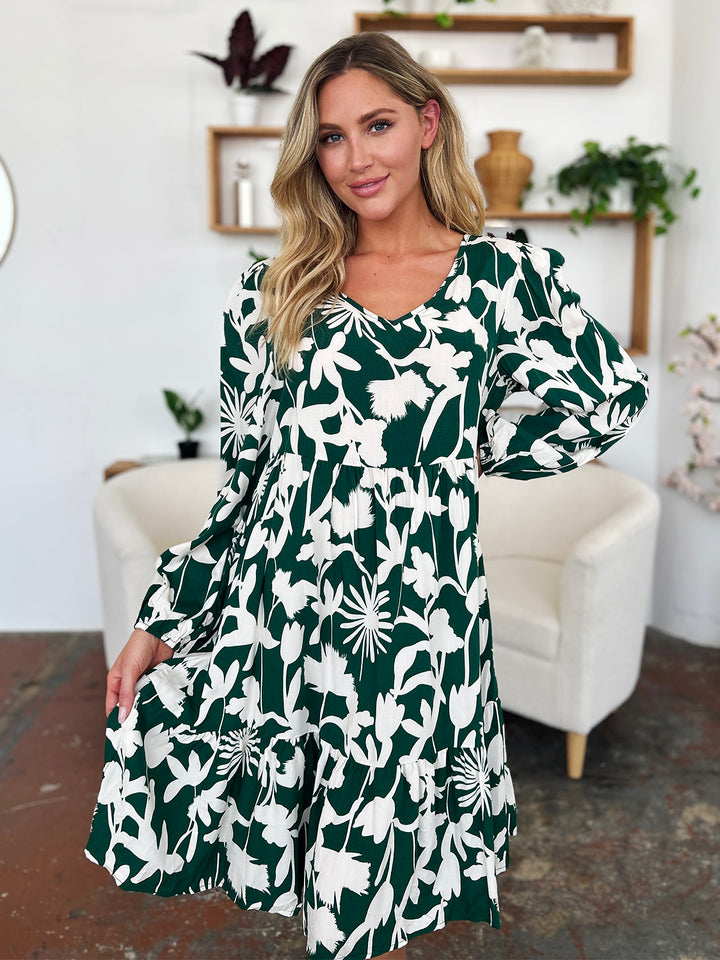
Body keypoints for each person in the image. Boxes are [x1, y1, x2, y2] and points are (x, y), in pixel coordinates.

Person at [85, 31, 650, 960]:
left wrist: (462, 451)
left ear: (428, 123)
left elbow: (606, 399)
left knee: (381, 876)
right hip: (284, 612)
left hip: (419, 630)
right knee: (312, 865)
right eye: (332, 139)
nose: (356, 159)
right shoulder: (273, 294)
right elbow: (246, 487)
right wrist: (163, 617)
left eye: (377, 125)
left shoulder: (504, 282)